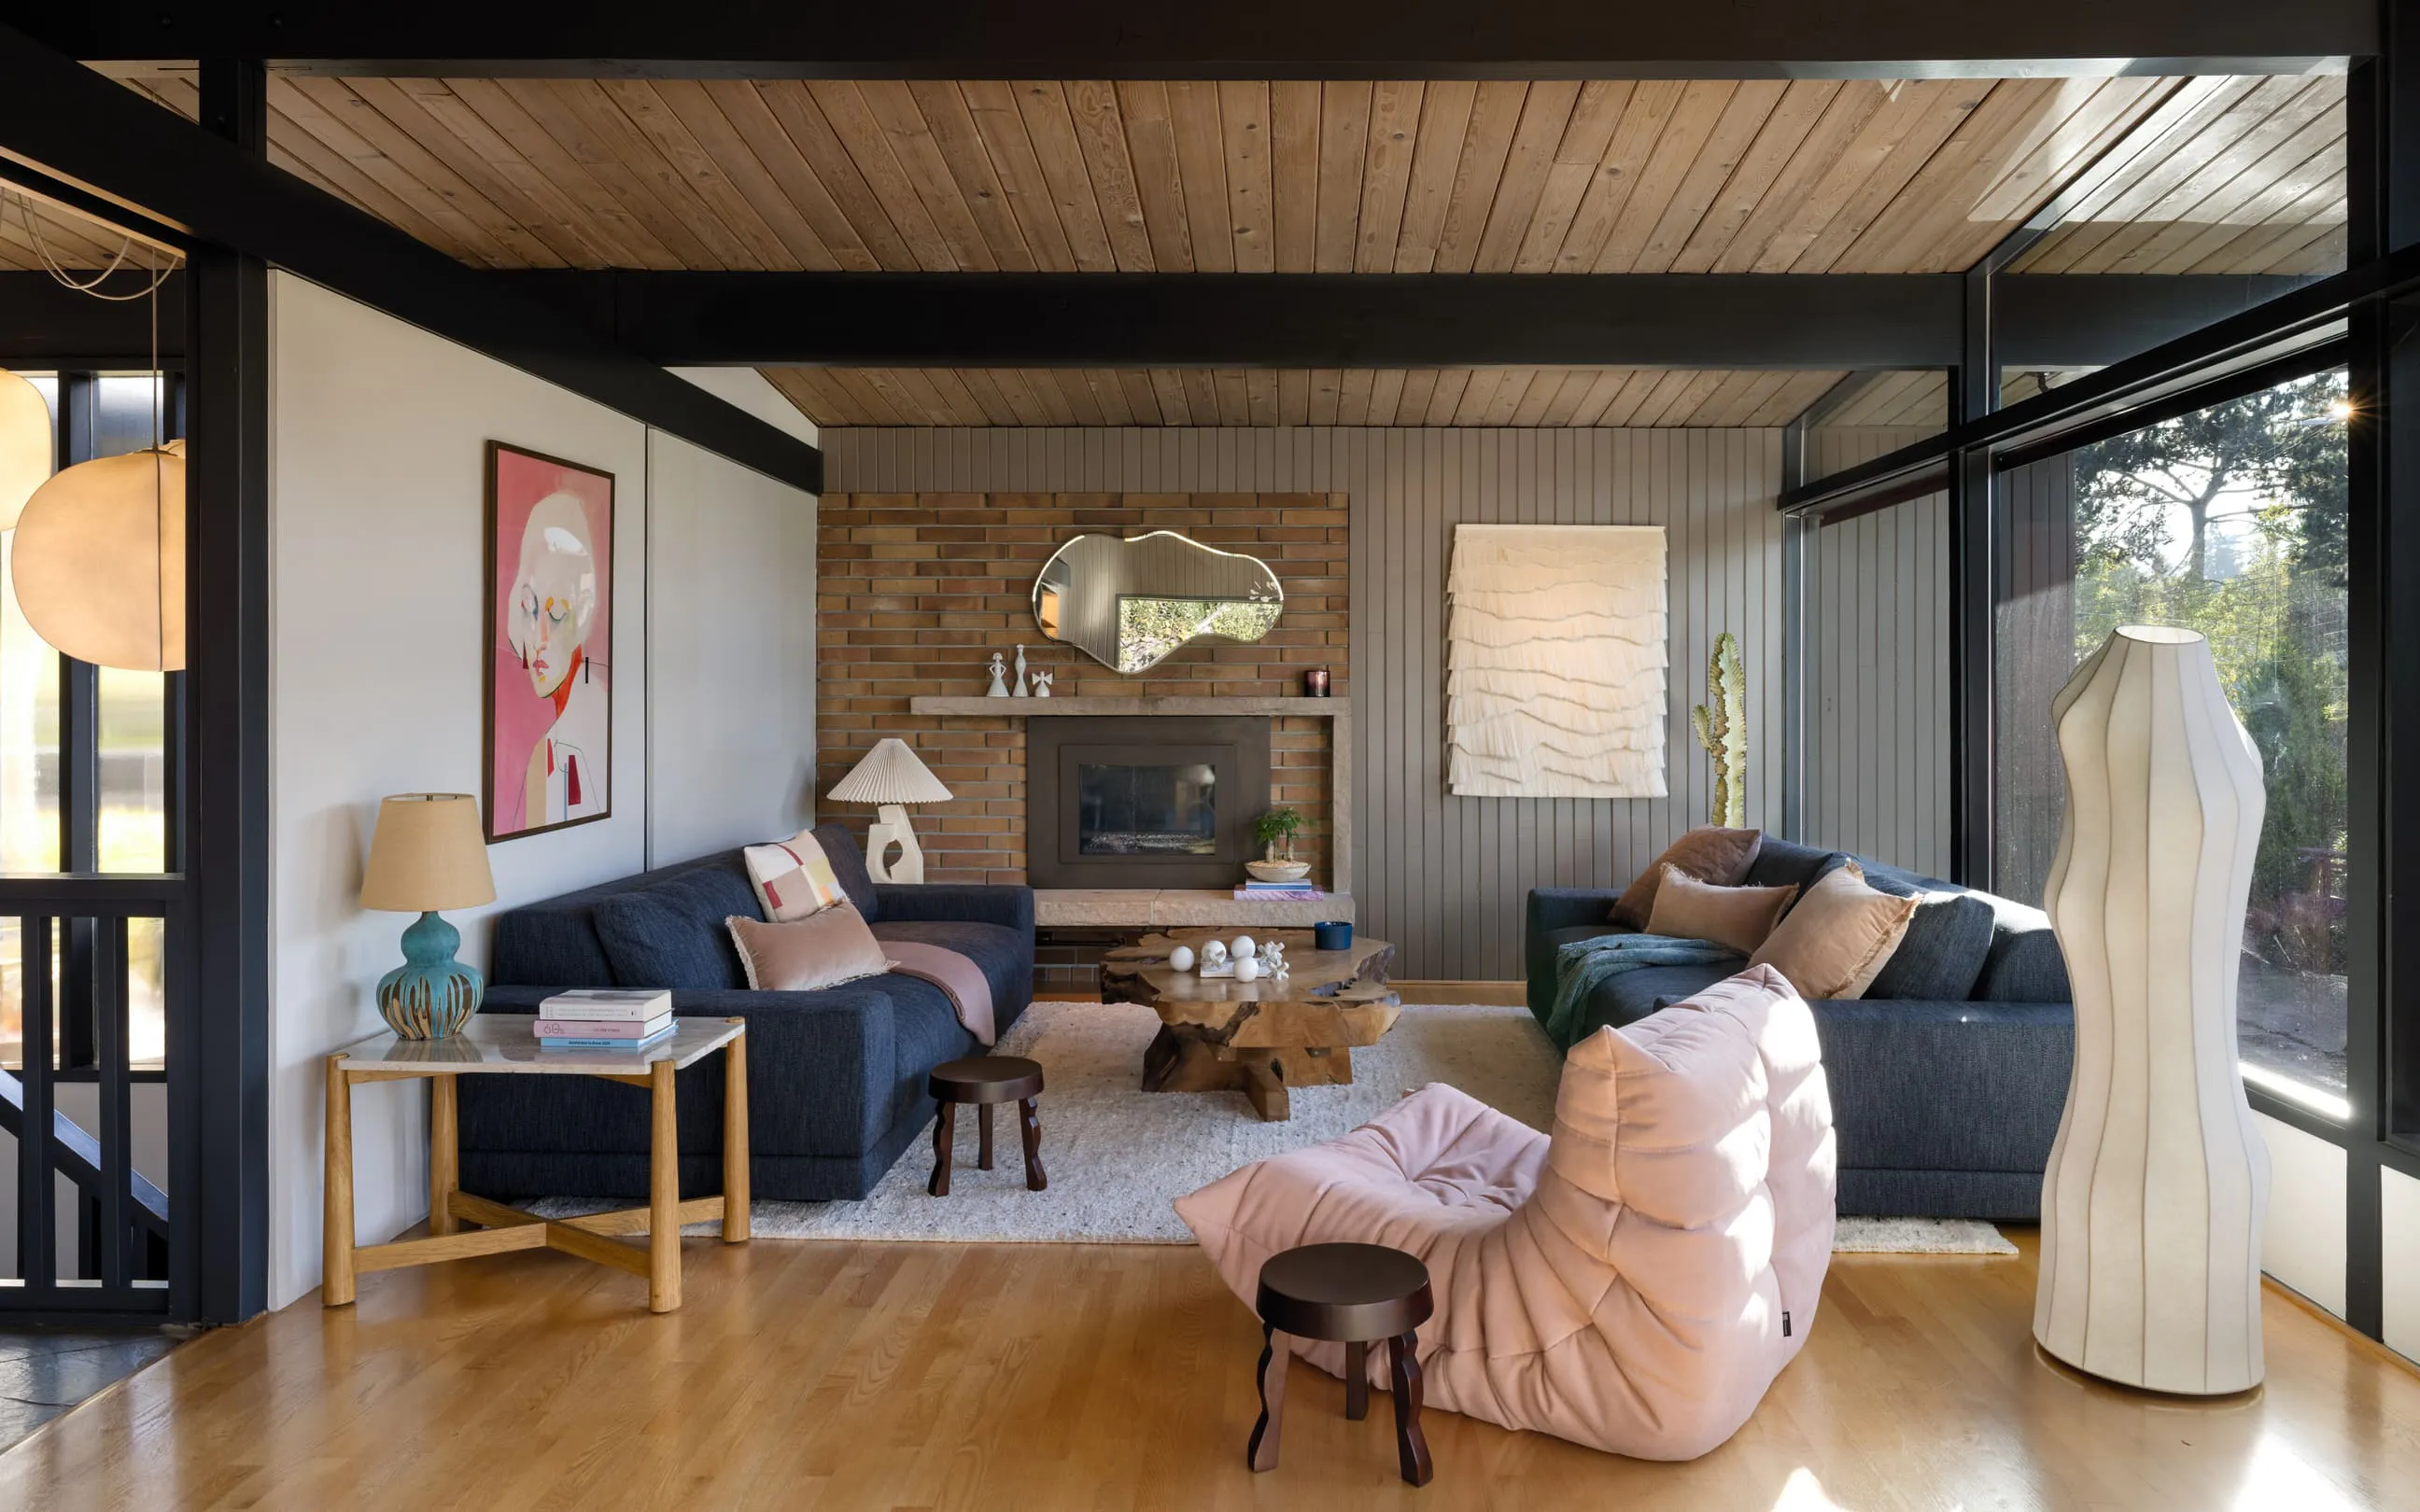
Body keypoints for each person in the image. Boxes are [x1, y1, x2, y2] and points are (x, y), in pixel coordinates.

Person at [507, 492, 606, 830]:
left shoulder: (595, 727)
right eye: (530, 610)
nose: (540, 638)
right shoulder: (546, 753)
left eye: (557, 612)